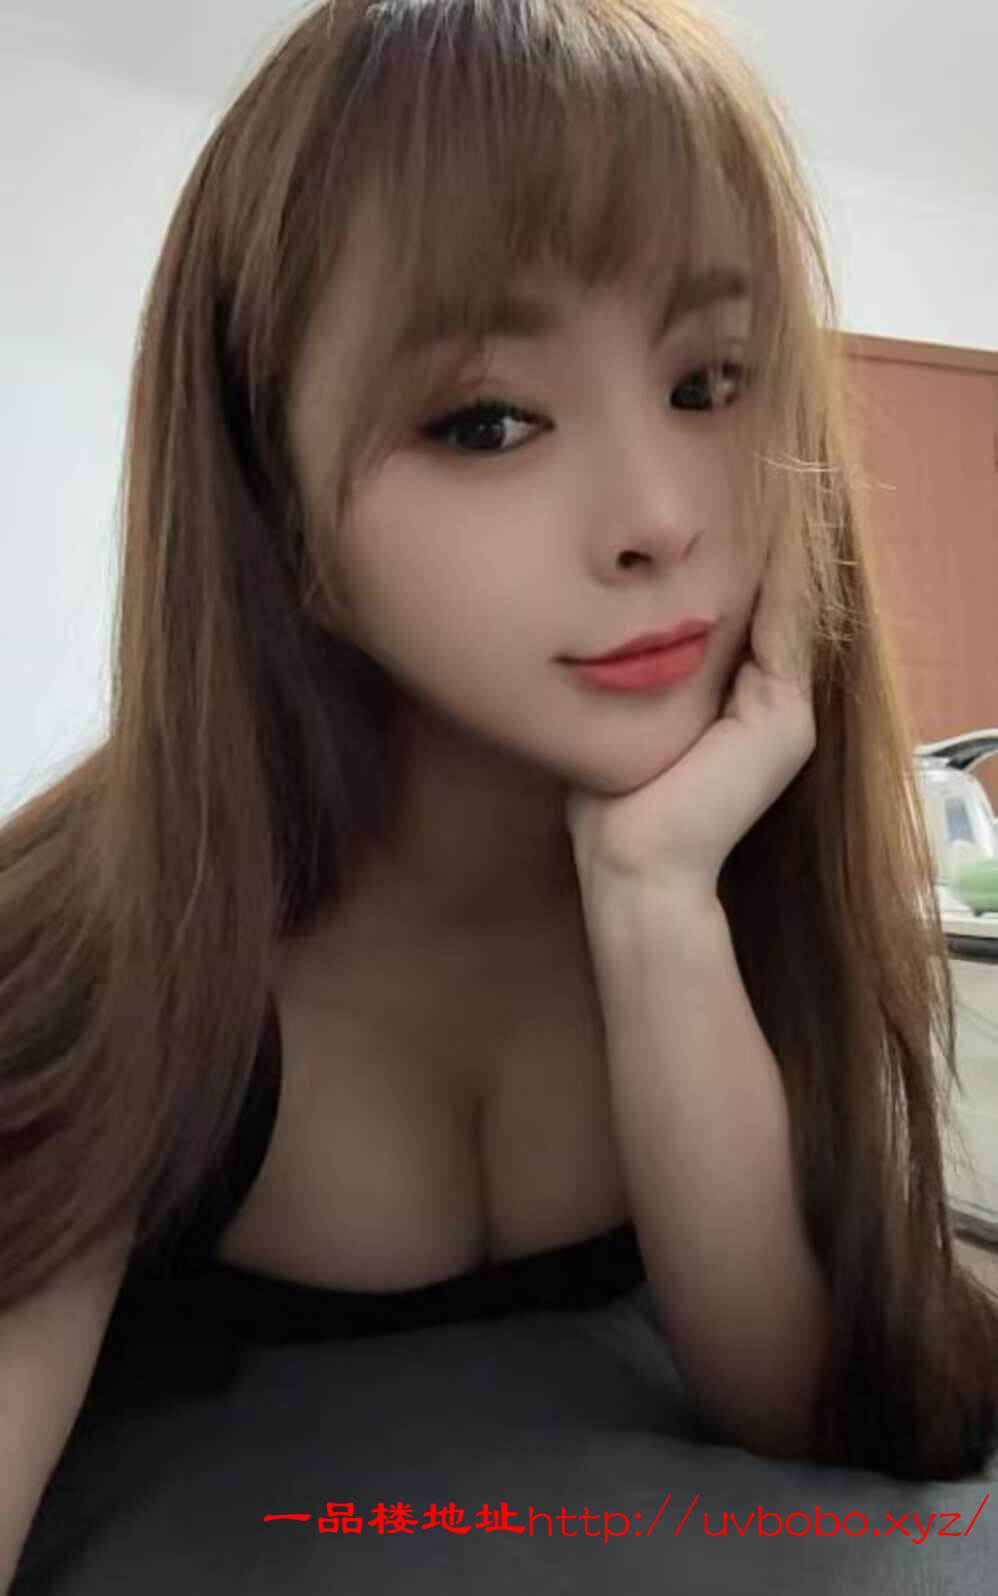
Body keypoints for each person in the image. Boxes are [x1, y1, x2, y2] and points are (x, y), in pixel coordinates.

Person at [2, 0, 997, 1581]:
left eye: (709, 382)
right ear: (268, 494)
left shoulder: (764, 869)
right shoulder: (96, 948)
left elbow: (801, 1418)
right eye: (486, 421)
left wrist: (656, 904)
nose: (659, 516)